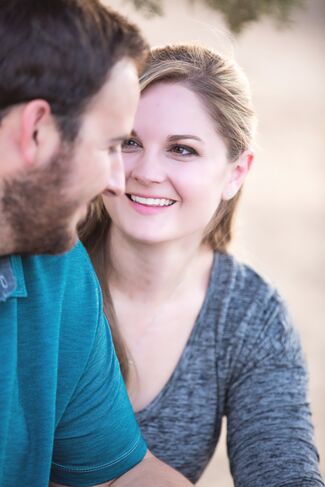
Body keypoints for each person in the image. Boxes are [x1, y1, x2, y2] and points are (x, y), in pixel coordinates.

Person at [79, 44, 325, 486]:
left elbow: (282, 470)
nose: (147, 172)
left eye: (182, 150)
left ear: (235, 172)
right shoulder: (42, 273)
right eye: (129, 142)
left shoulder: (251, 316)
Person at [0, 2, 193, 486]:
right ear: (36, 130)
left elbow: (118, 474)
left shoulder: (55, 266)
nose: (117, 180)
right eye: (112, 146)